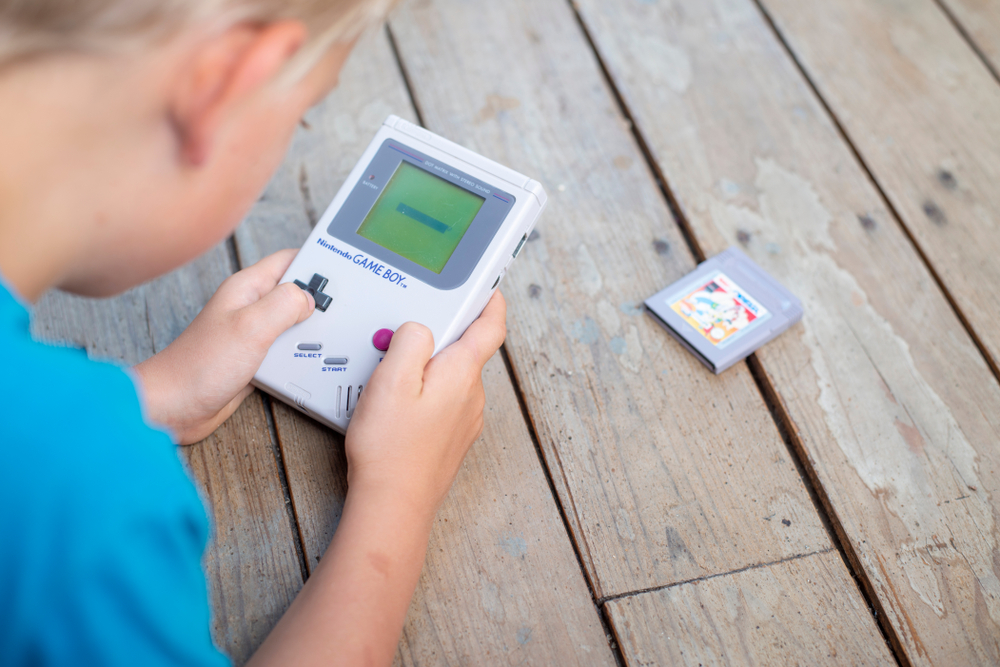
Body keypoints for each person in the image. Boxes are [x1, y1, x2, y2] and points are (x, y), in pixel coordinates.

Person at [0, 1, 507, 665]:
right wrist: (398, 497)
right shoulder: (90, 497)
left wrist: (150, 396)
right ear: (221, 85)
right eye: (297, 117)